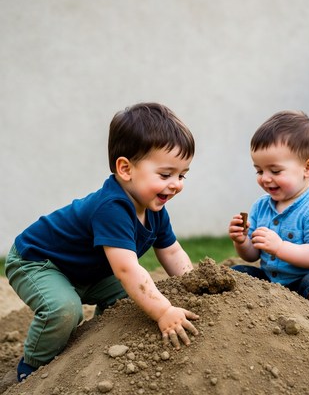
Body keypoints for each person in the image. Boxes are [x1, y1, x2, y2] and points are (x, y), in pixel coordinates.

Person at [6, 102, 200, 382]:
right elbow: (126, 270)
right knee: (64, 310)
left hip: (87, 271)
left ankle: (97, 341)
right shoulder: (112, 207)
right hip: (39, 261)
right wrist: (164, 310)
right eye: (166, 174)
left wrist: (193, 285)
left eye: (182, 175)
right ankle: (33, 368)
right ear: (125, 168)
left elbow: (170, 250)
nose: (177, 184)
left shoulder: (155, 211)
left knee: (128, 301)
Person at [228, 110, 309, 329]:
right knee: (239, 274)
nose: (265, 178)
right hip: (276, 284)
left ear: (308, 168)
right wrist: (242, 241)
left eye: (275, 170)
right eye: (259, 170)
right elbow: (252, 256)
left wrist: (279, 247)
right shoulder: (261, 207)